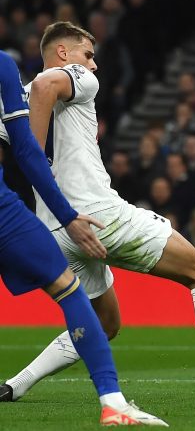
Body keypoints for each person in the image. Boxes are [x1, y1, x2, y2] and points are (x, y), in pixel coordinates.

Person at [0, 21, 195, 403]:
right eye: (88, 54)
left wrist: (30, 156)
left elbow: (17, 124)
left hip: (56, 230)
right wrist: (34, 151)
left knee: (104, 323)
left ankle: (13, 386)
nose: (94, 65)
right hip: (98, 216)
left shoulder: (15, 104)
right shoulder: (76, 79)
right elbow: (44, 85)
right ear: (63, 53)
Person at [0, 50, 165, 425]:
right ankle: (113, 402)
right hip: (7, 211)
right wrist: (68, 216)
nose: (94, 64)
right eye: (89, 55)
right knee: (69, 290)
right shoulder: (6, 66)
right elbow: (27, 151)